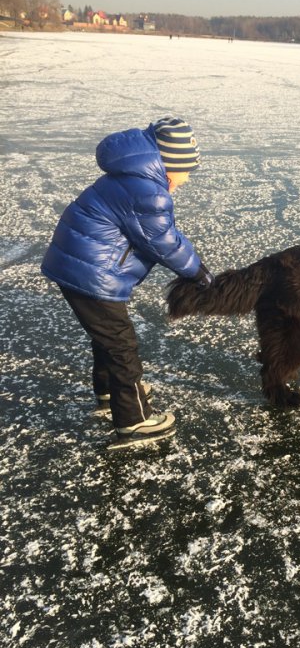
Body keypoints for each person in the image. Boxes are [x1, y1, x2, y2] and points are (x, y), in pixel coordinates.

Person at [41, 116, 213, 444]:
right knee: (121, 343)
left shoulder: (131, 179)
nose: (188, 178)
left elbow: (161, 234)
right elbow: (163, 241)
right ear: (168, 162)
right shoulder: (148, 192)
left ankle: (109, 390)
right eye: (186, 169)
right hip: (92, 275)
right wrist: (198, 272)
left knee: (107, 337)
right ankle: (133, 420)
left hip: (76, 267)